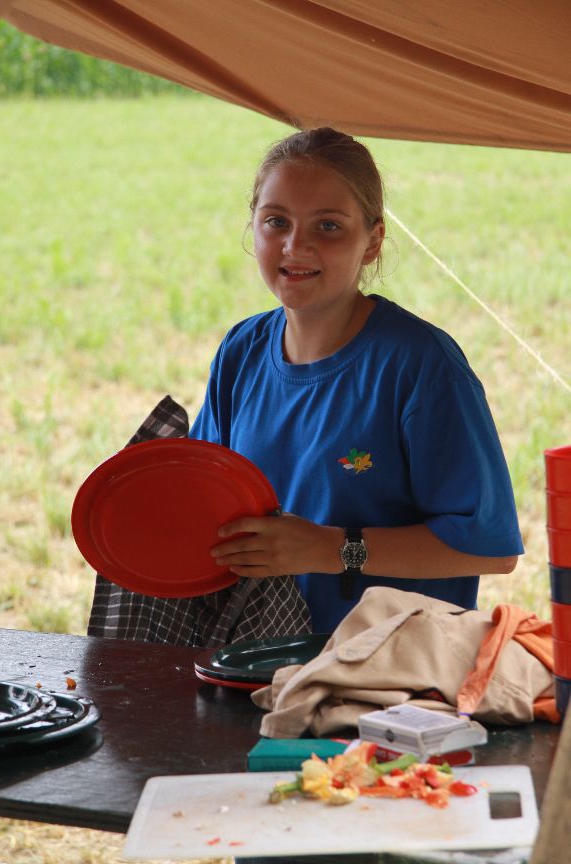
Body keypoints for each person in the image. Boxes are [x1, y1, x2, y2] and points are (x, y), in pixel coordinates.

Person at [189, 126, 523, 637]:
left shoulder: (420, 366)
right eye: (276, 221)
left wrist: (331, 549)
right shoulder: (242, 351)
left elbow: (491, 549)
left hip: (389, 665)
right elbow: (203, 498)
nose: (295, 246)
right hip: (256, 656)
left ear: (373, 241)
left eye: (328, 226)